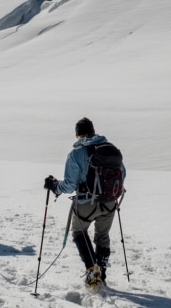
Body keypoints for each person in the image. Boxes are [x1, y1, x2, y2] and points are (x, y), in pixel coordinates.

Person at [43, 118, 125, 288]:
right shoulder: (110, 149)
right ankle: (100, 272)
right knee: (102, 237)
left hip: (86, 203)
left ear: (77, 134)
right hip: (110, 202)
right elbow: (123, 174)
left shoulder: (76, 153)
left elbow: (70, 185)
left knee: (79, 232)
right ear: (94, 131)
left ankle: (91, 270)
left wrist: (55, 186)